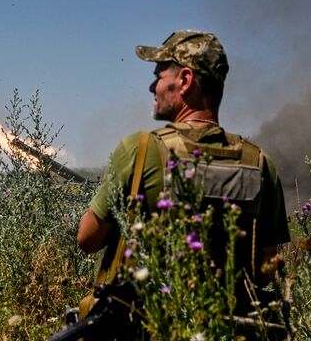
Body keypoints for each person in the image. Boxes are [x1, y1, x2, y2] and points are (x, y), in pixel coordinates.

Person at [76, 30, 290, 314]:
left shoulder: (140, 150)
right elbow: (266, 270)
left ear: (185, 81)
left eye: (159, 76)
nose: (152, 87)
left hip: (149, 324)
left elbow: (87, 239)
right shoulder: (260, 164)